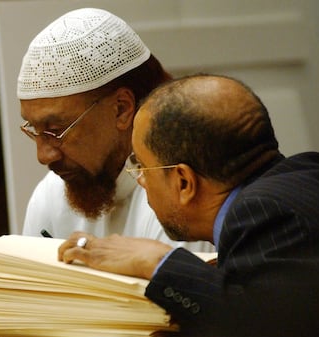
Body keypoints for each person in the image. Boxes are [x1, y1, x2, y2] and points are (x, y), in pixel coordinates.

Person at [58, 74, 319, 337]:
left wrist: (159, 262)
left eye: (143, 167)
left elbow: (263, 330)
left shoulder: (263, 212)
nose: (142, 180)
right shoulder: (318, 169)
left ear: (184, 181)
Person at [17, 8, 213, 252]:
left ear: (121, 109)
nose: (43, 156)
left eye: (55, 130)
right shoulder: (52, 194)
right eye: (33, 129)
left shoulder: (182, 195)